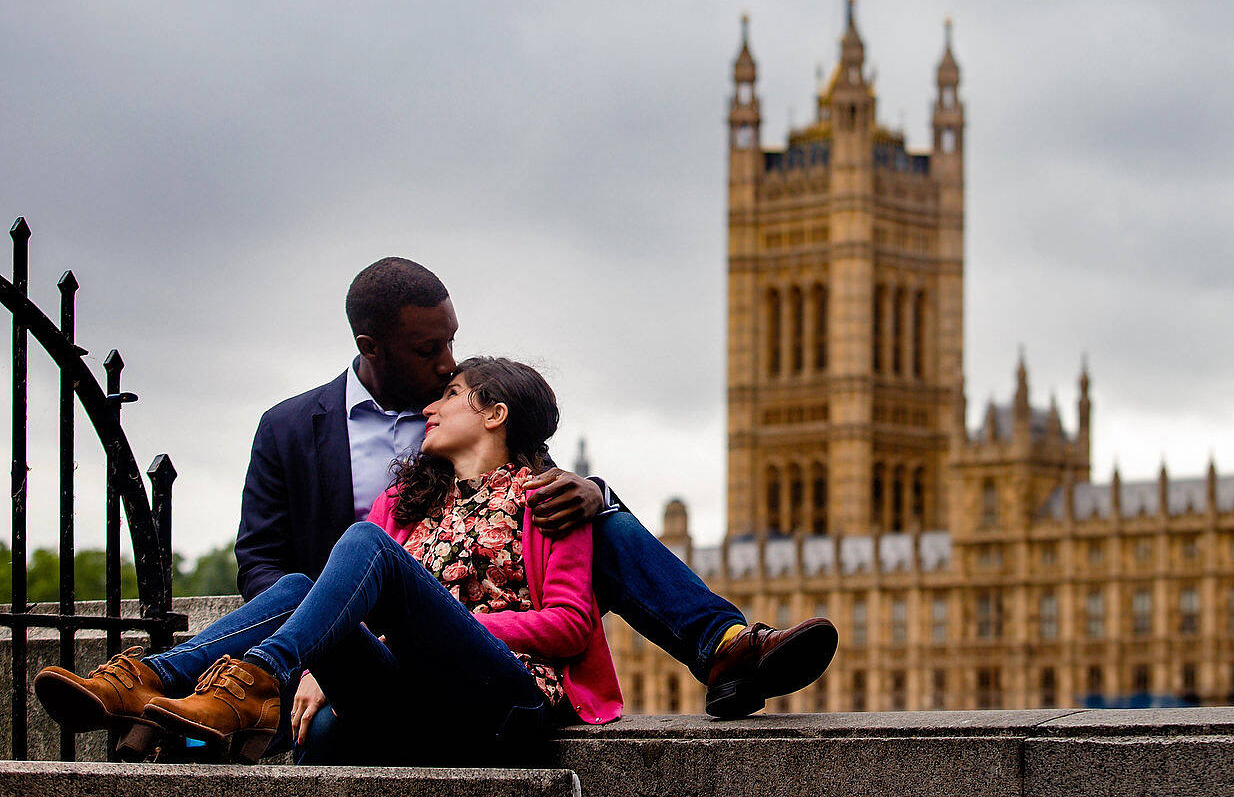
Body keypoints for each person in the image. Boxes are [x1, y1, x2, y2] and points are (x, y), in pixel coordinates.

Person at [234, 258, 836, 735]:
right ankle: (180, 676)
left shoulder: (462, 411)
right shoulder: (290, 429)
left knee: (593, 516)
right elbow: (261, 563)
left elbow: (532, 489)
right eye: (429, 351)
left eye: (452, 344)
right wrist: (331, 630)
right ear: (371, 348)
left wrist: (594, 491)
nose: (447, 365)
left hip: (469, 640)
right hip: (354, 645)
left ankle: (724, 645)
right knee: (352, 556)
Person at [35, 357, 621, 765]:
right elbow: (347, 600)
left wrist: (425, 625)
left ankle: (253, 682)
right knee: (296, 586)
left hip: (502, 704)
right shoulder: (405, 500)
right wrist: (327, 661)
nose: (430, 405)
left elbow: (571, 623)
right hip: (410, 703)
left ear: (494, 413)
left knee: (367, 550)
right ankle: (154, 677)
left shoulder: (547, 498)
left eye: (450, 394)